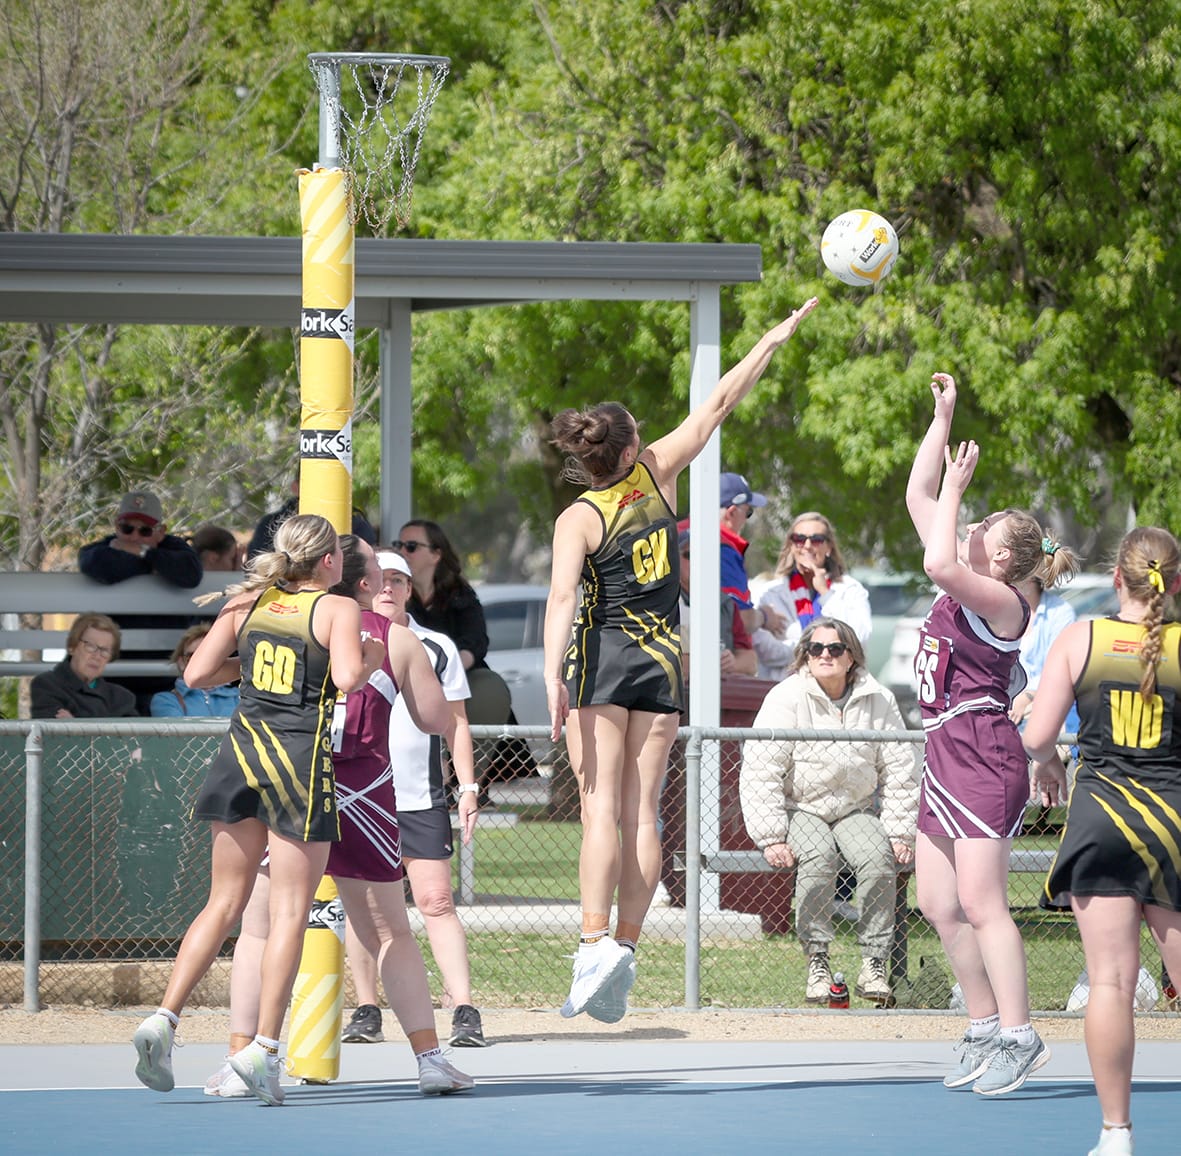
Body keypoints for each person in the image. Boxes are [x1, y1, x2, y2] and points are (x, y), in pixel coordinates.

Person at [544, 297, 819, 1023]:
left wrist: (551, 678)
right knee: (643, 818)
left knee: (600, 809)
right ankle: (625, 953)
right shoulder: (658, 473)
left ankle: (591, 944)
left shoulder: (578, 515)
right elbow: (721, 399)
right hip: (661, 662)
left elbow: (562, 599)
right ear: (631, 448)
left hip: (601, 659)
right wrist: (772, 337)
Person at [203, 534, 471, 1100]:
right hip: (360, 790)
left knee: (260, 927)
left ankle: (241, 1058)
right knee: (389, 932)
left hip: (288, 780)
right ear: (364, 581)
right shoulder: (395, 640)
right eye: (377, 568)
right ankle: (428, 1058)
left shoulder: (279, 617)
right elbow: (432, 720)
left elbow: (211, 669)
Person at [131, 513, 386, 1106]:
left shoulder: (246, 601)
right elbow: (348, 678)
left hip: (240, 755)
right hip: (297, 764)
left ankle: (164, 1020)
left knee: (222, 904)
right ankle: (262, 1050)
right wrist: (371, 656)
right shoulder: (337, 608)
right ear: (328, 561)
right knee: (291, 914)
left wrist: (251, 665)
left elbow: (195, 673)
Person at [905, 371, 1078, 1096]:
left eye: (983, 529)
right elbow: (918, 498)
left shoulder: (1002, 601)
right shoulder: (965, 575)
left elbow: (938, 554)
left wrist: (956, 489)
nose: (966, 525)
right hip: (944, 752)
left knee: (982, 903)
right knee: (935, 904)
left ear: (1003, 559)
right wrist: (942, 420)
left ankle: (1020, 1032)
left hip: (982, 751)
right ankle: (982, 1023)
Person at [1025, 527, 1181, 1156]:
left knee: (1111, 982)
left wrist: (1051, 764)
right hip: (1172, 819)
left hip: (1101, 820)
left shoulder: (1081, 637)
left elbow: (1038, 736)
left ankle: (1116, 1133)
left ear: (1118, 577)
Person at [340, 550, 485, 1048]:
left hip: (419, 796)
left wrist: (467, 788)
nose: (387, 588)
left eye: (397, 580)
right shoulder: (342, 636)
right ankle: (366, 1007)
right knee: (364, 908)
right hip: (358, 795)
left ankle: (464, 1008)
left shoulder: (434, 646)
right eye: (378, 579)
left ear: (408, 589)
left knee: (435, 901)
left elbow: (454, 723)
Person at [740, 618, 919, 1004]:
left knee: (877, 857)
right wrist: (771, 835)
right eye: (815, 648)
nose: (824, 655)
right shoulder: (786, 696)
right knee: (818, 857)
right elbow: (760, 767)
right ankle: (817, 962)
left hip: (854, 808)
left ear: (851, 656)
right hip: (800, 807)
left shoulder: (879, 699)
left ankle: (874, 963)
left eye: (834, 648)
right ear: (805, 655)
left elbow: (901, 769)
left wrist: (901, 832)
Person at [395, 518, 516, 792]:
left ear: (436, 554)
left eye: (411, 546)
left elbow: (475, 643)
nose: (403, 551)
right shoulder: (395, 596)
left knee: (489, 687)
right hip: (407, 682)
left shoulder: (460, 594)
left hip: (456, 679)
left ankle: (469, 785)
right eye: (399, 545)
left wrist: (444, 671)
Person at [78, 490, 203, 715]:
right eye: (127, 529)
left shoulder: (174, 548)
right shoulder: (105, 548)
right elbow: (95, 563)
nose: (134, 537)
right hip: (115, 674)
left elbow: (190, 573)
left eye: (144, 531)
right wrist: (153, 562)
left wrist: (141, 553)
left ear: (161, 532)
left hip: (168, 678)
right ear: (117, 527)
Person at [753, 513, 872, 682]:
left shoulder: (850, 589)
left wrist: (825, 593)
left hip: (837, 690)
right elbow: (766, 651)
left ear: (829, 547)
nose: (807, 546)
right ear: (791, 546)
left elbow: (858, 639)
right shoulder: (770, 593)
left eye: (816, 539)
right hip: (786, 691)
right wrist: (818, 651)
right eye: (799, 539)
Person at [677, 525, 756, 680]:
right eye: (691, 555)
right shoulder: (659, 601)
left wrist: (732, 663)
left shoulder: (725, 603)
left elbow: (751, 661)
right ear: (673, 558)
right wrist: (702, 663)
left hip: (720, 697)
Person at [718, 471, 787, 639]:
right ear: (731, 512)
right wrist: (764, 616)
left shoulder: (679, 534)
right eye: (748, 512)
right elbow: (741, 619)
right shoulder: (723, 551)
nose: (747, 519)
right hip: (709, 657)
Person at [30, 612, 137, 719]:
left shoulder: (122, 698)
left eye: (104, 650)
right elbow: (54, 734)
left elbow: (135, 735)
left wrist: (74, 724)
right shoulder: (47, 685)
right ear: (72, 647)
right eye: (90, 646)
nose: (97, 656)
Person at [247, 477, 377, 560]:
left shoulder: (356, 525)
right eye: (313, 486)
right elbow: (256, 568)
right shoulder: (271, 525)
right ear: (295, 487)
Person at [148, 623, 239, 717]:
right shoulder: (165, 700)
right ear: (181, 662)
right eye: (192, 656)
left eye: (208, 655)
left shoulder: (241, 696)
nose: (200, 661)